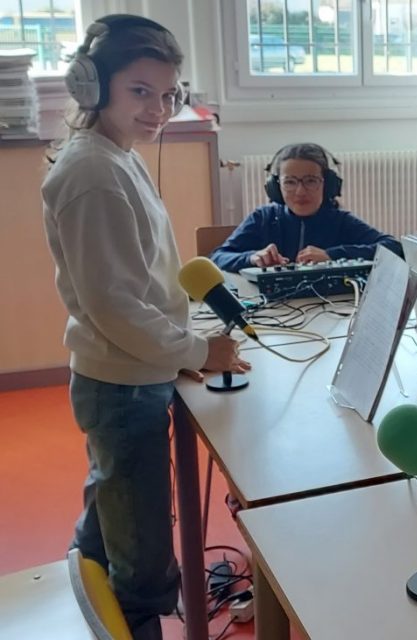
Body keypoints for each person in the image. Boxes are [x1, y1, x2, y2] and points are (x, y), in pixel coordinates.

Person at [42, 15, 250, 639]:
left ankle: (84, 602)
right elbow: (116, 307)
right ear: (91, 85)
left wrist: (184, 348)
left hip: (133, 373)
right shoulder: (93, 174)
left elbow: (135, 284)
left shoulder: (116, 155)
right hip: (123, 385)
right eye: (140, 91)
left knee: (112, 509)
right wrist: (197, 350)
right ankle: (130, 621)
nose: (158, 109)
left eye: (168, 94)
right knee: (142, 554)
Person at [210, 142, 402, 272]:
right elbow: (218, 257)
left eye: (310, 181)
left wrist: (332, 255)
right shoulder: (263, 218)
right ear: (276, 187)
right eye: (290, 182)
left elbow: (394, 247)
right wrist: (252, 258)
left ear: (328, 184)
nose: (300, 191)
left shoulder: (340, 221)